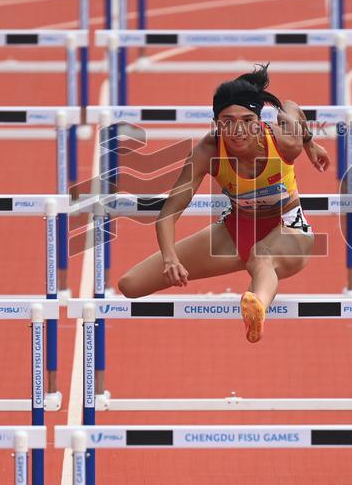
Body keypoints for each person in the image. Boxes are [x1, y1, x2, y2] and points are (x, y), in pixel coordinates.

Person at [116, 65, 331, 343]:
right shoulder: (207, 151)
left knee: (261, 256)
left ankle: (257, 308)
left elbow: (291, 106)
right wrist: (170, 258)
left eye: (247, 119)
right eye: (227, 121)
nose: (238, 130)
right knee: (130, 285)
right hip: (235, 230)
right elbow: (168, 213)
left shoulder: (285, 141)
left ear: (259, 120)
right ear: (216, 123)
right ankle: (258, 280)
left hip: (288, 229)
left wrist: (310, 142)